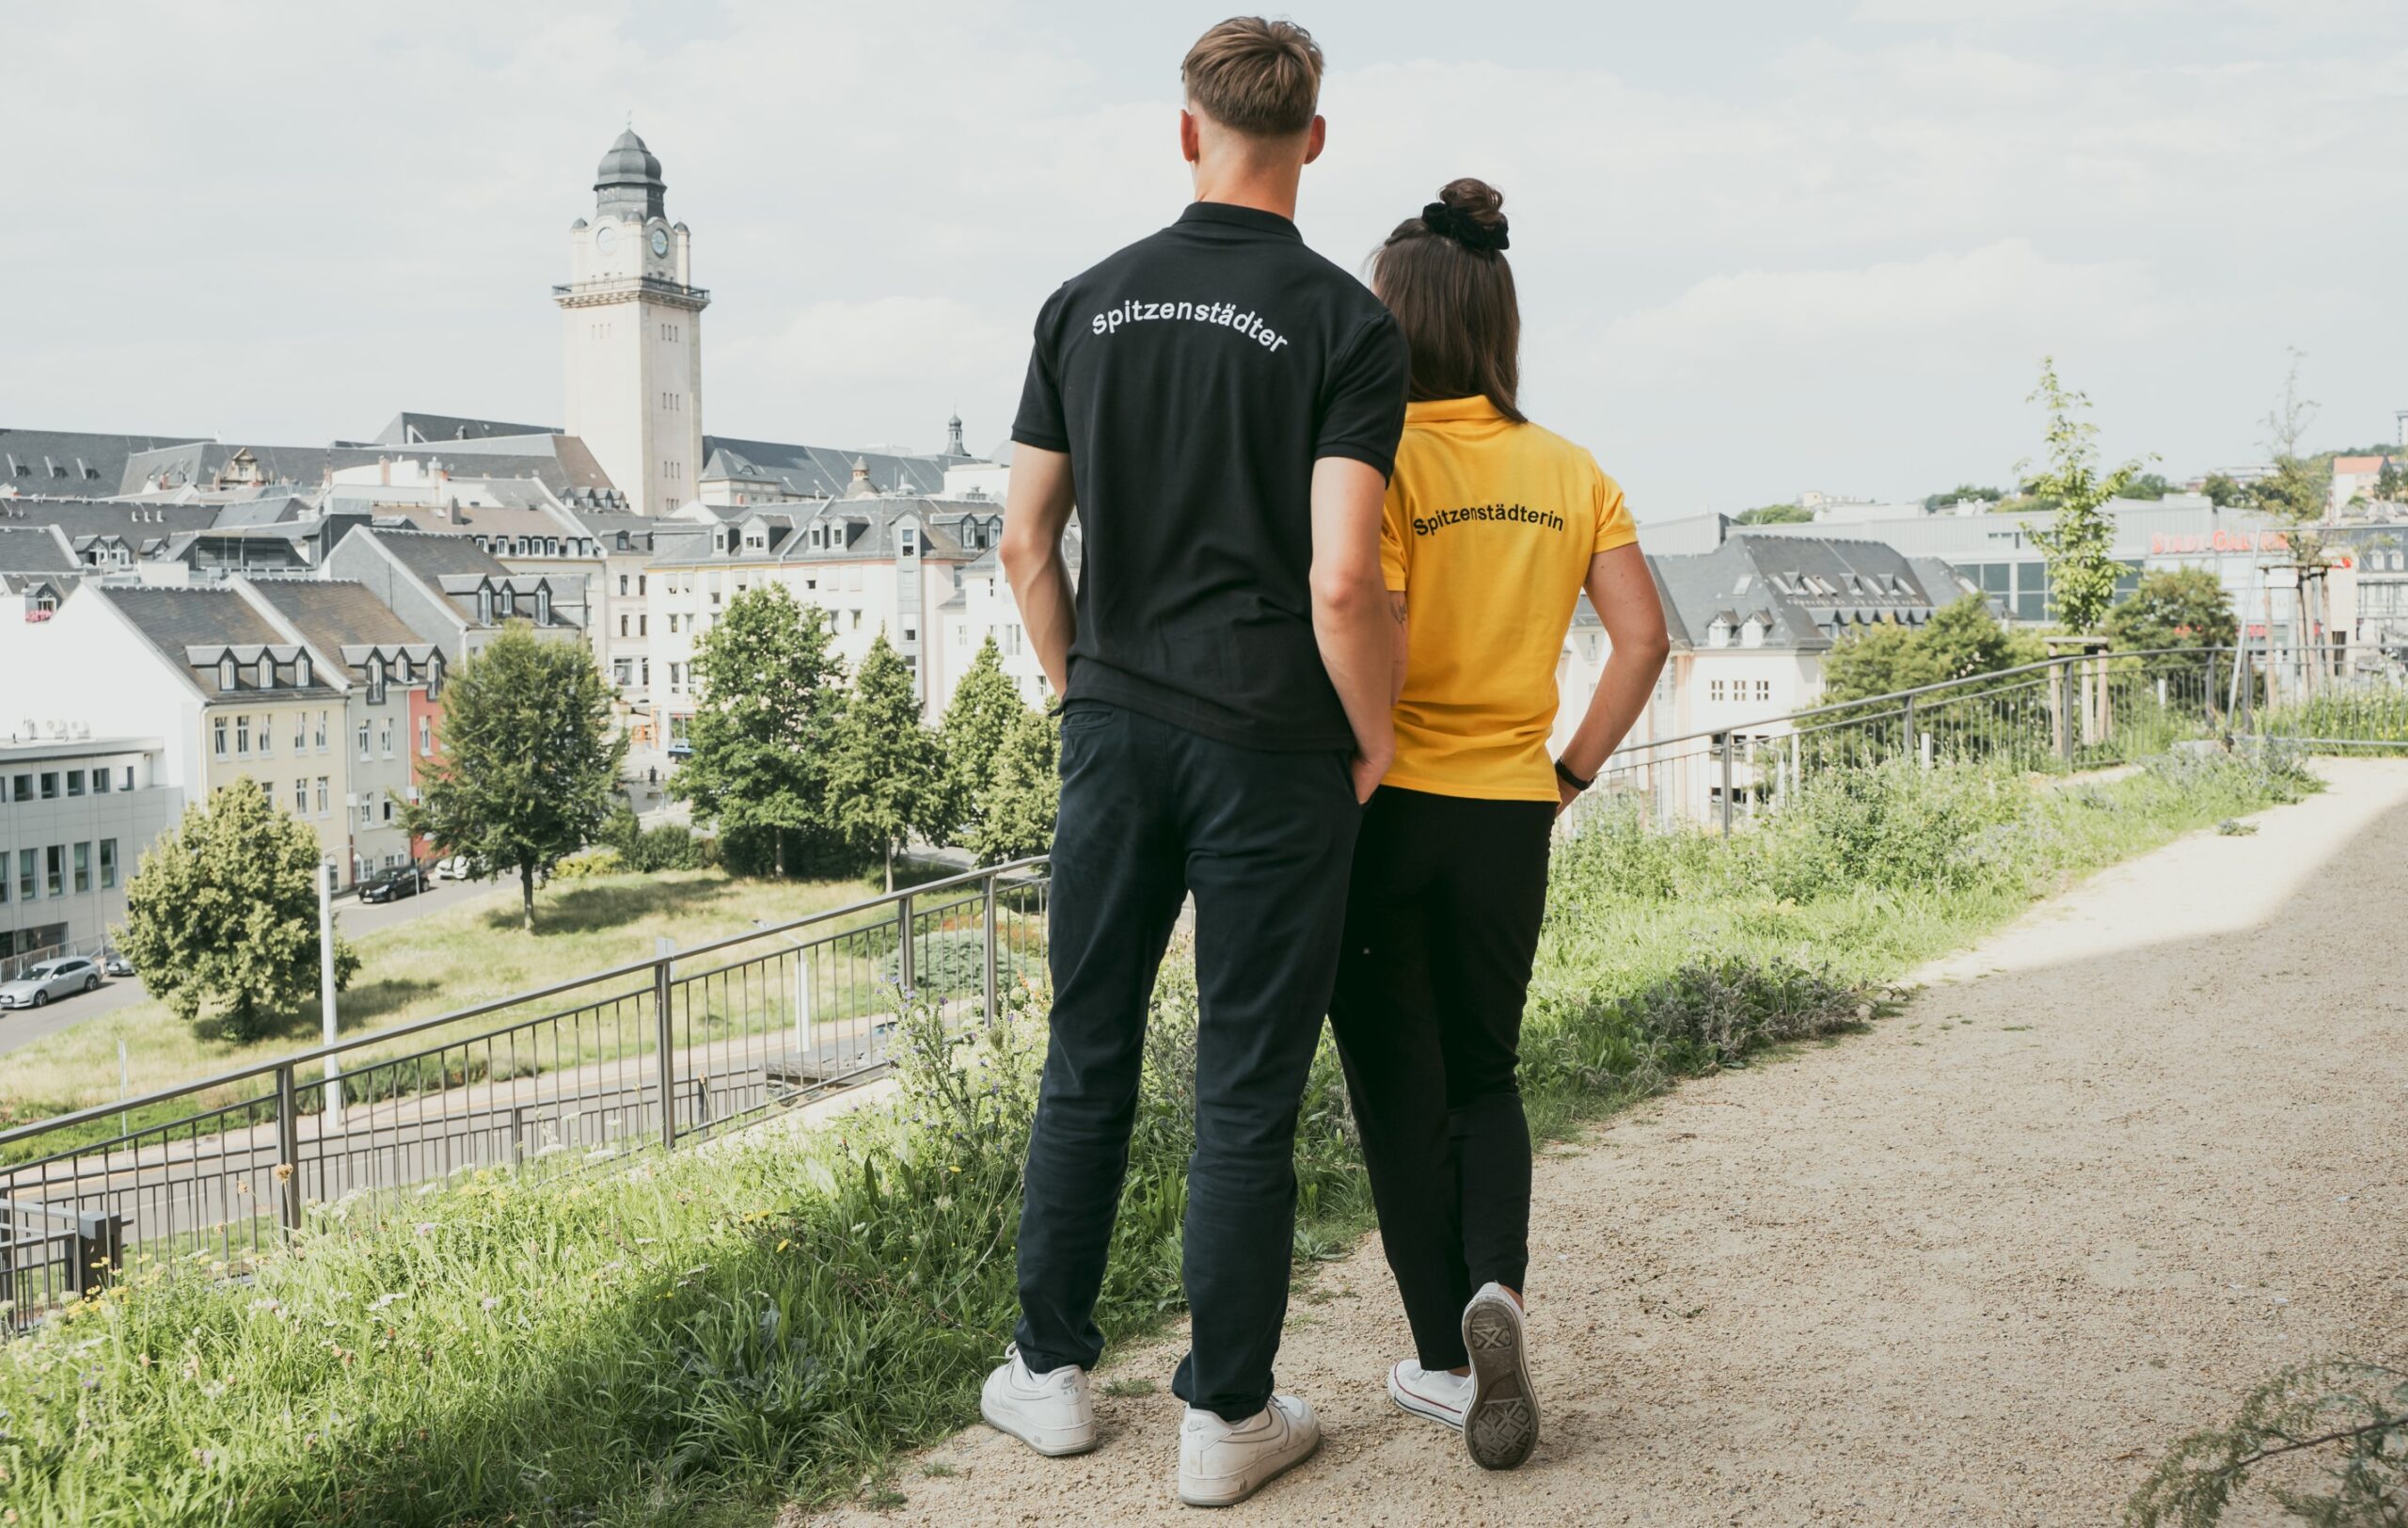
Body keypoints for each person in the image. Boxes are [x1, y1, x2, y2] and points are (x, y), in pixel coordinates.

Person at [983, 15, 1409, 1510]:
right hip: (1272, 746)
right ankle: (1225, 1419)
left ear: (1186, 131)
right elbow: (1344, 581)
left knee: (1086, 1050)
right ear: (1315, 140)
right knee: (1243, 1086)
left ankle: (1046, 1379)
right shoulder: (1347, 325)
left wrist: (1081, 686)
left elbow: (1028, 540)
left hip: (1114, 727)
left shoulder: (1082, 304)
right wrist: (1372, 737)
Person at [1327, 179, 1671, 1472]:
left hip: (1387, 806)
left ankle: (1437, 1353)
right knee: (1486, 1071)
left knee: (1394, 1087)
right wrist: (1568, 773)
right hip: (1507, 818)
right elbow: (1643, 640)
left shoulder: (1385, 460)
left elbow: (1377, 629)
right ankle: (1500, 1297)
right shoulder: (1570, 470)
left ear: (1393, 323)